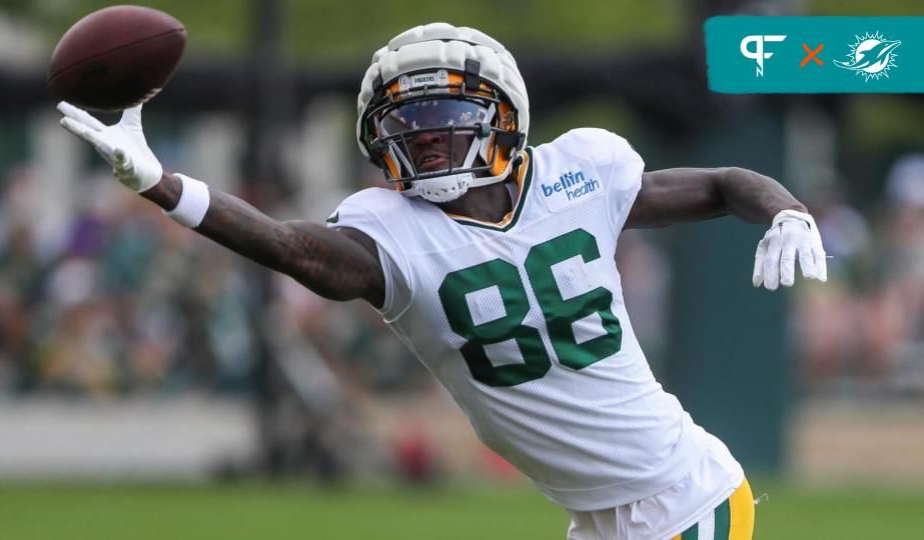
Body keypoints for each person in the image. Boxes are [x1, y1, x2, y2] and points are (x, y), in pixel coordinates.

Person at [58, 22, 826, 540]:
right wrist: (164, 184)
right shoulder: (389, 231)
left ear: (503, 118)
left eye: (446, 114)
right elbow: (294, 250)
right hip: (601, 514)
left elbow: (725, 180)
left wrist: (787, 210)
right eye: (408, 123)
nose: (425, 137)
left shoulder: (583, 173)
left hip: (683, 496)